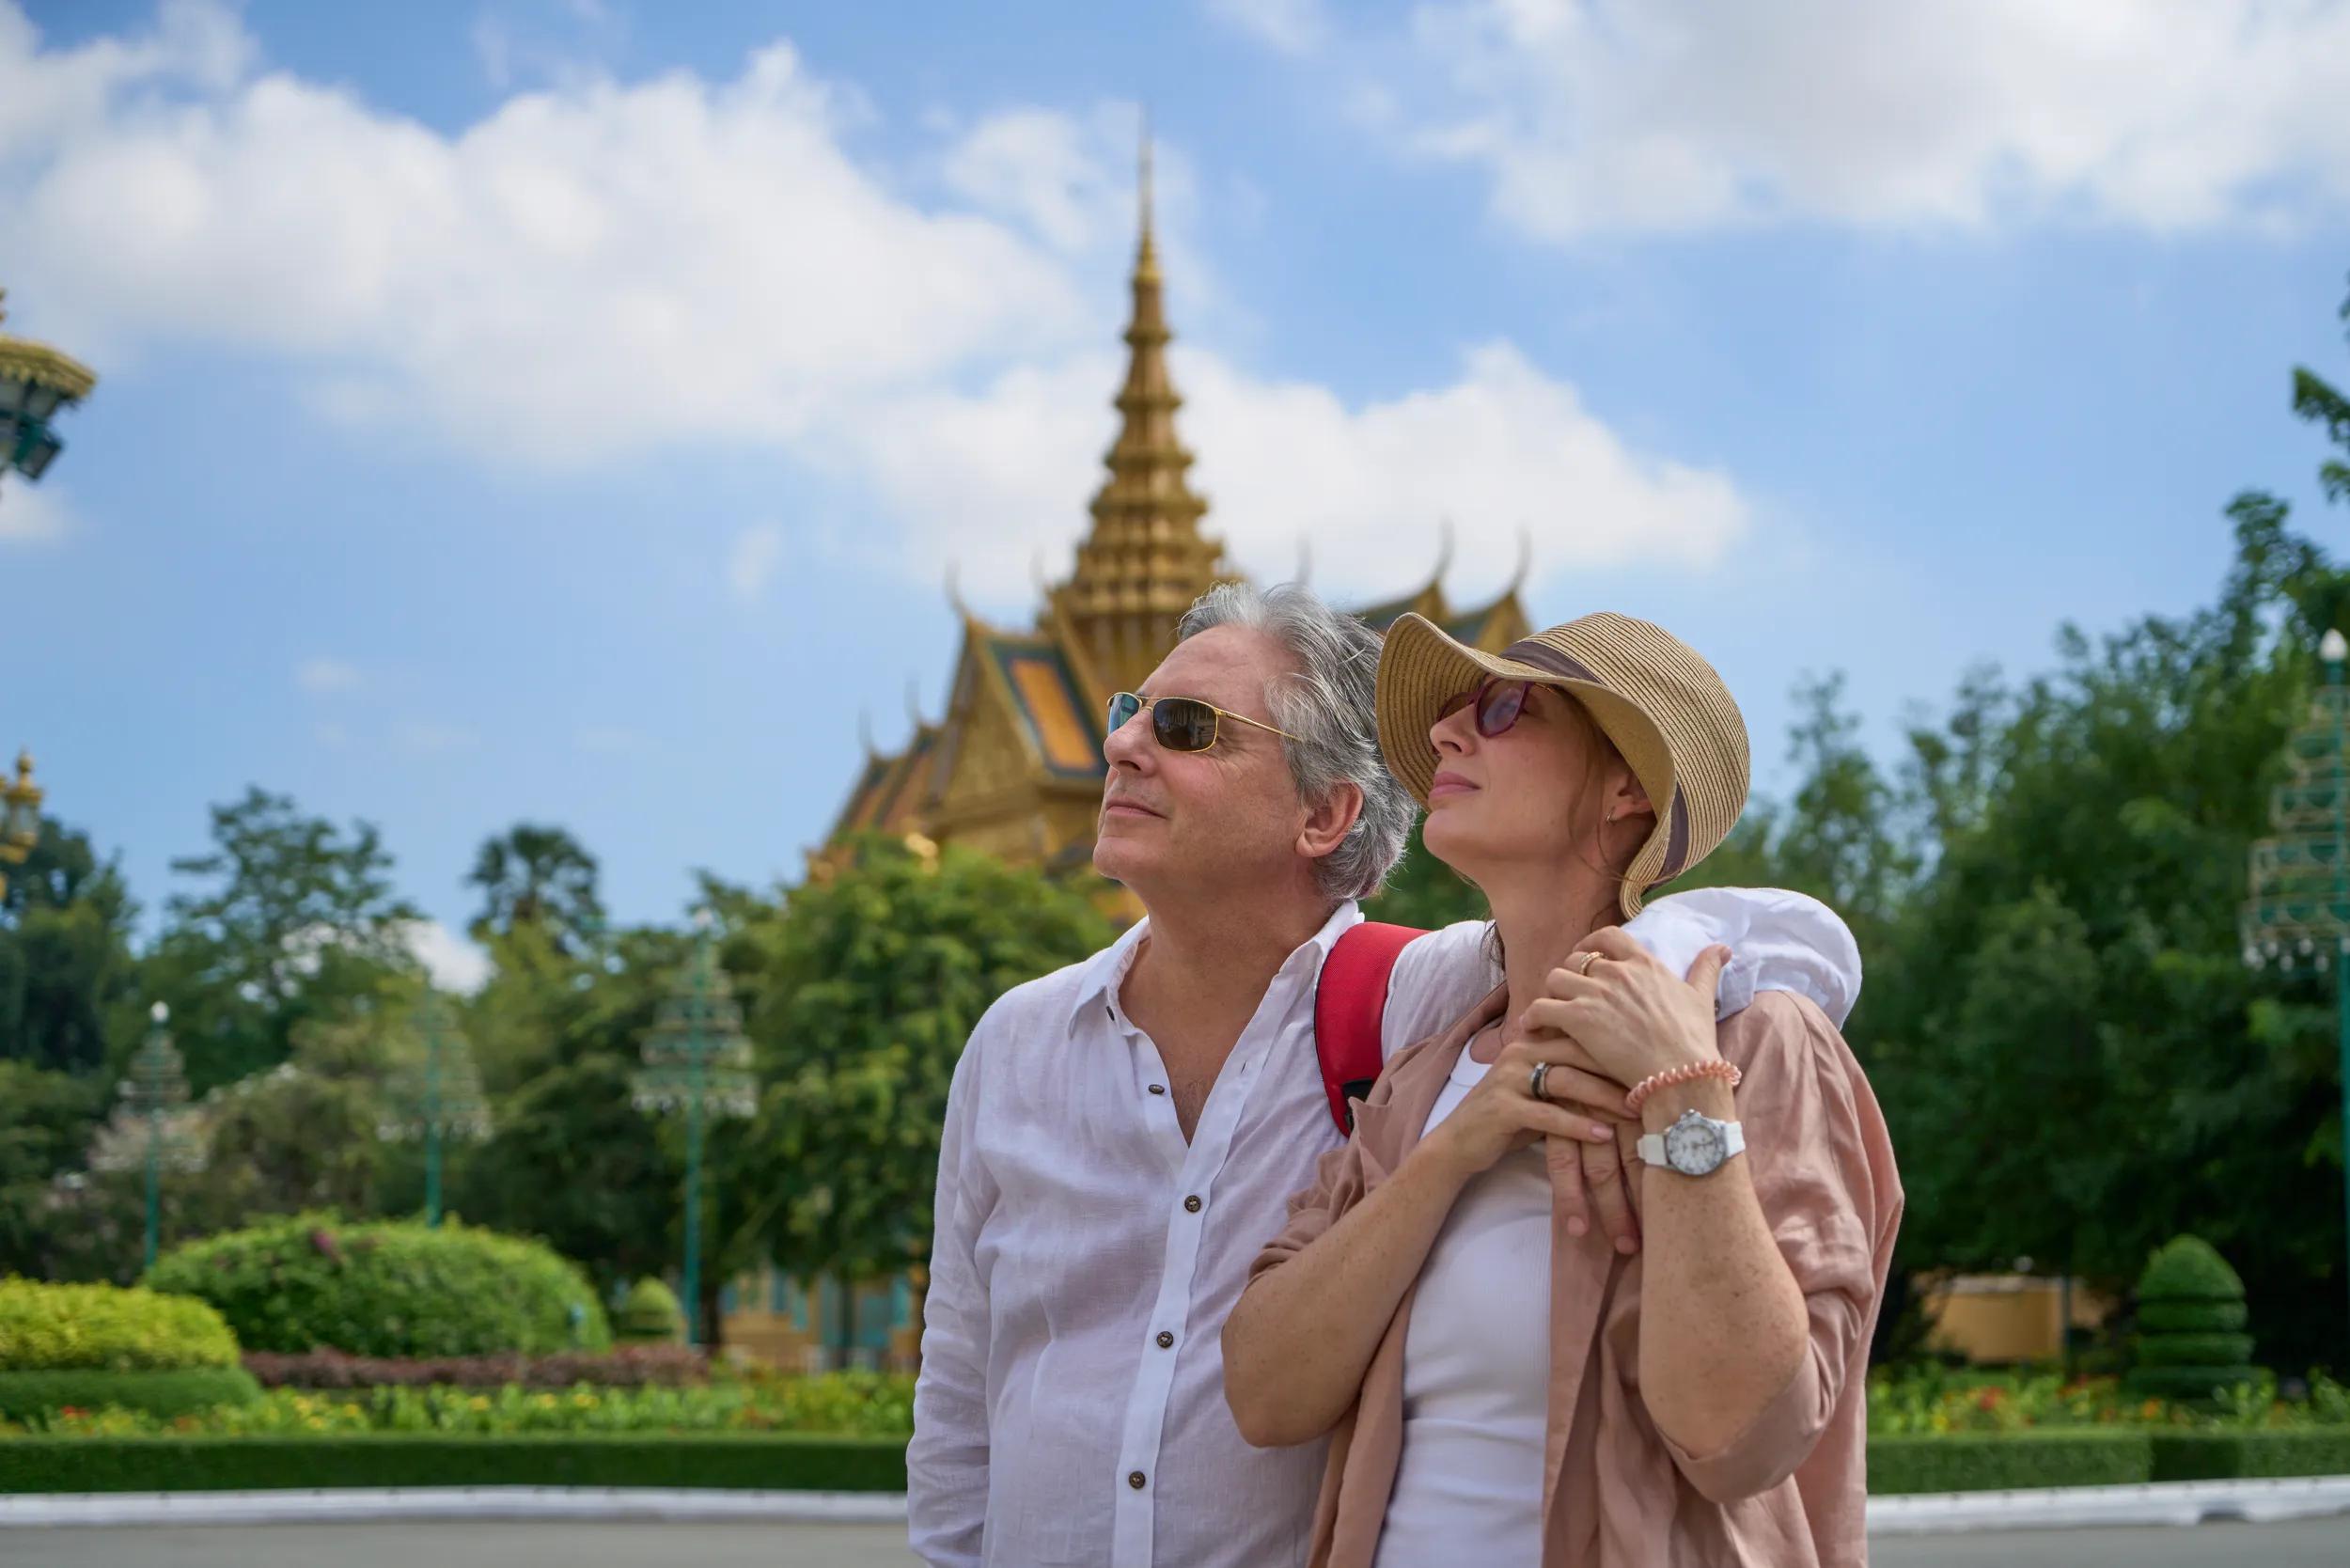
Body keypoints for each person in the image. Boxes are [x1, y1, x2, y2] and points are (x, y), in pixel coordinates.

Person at [908, 585, 1863, 1568]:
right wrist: (1465, 1138)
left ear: (1325, 815)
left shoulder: (1423, 1000)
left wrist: (1678, 1061)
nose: (1120, 747)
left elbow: (1798, 942)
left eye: (1187, 728)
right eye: (1126, 712)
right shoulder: (1432, 1061)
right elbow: (969, 1384)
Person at [1223, 610, 1904, 1567]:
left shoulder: (1763, 1043)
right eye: (1451, 713)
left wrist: (1685, 1093)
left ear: (1627, 785)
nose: (1446, 733)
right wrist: (1456, 1147)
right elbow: (1263, 1394)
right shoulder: (1426, 1076)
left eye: (1504, 708)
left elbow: (1741, 1438)